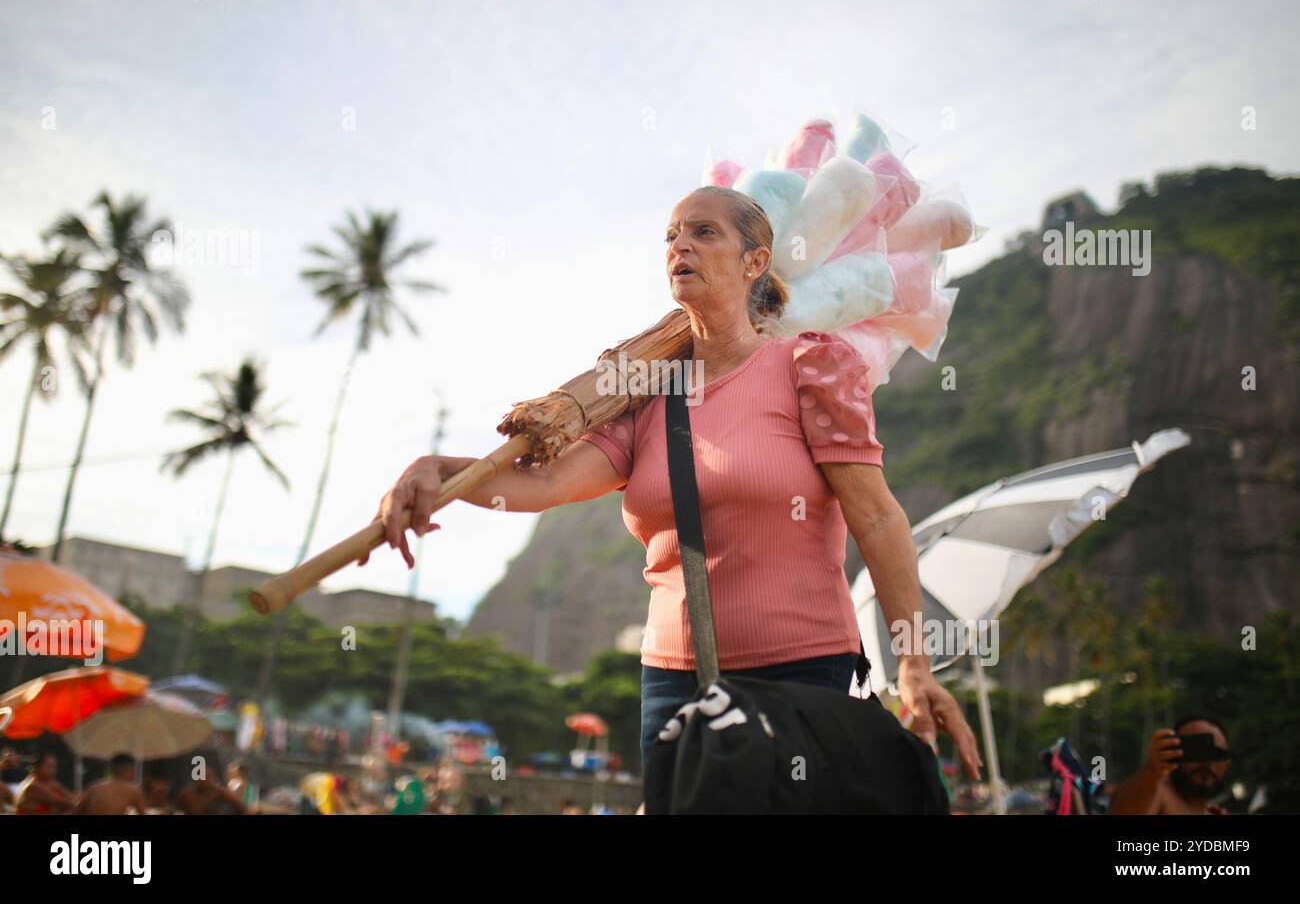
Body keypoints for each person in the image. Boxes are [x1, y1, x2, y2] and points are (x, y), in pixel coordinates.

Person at [363, 186, 982, 780]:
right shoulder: (649, 396)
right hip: (672, 680)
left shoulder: (810, 365)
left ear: (755, 261)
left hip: (801, 671)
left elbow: (876, 518)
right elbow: (543, 485)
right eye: (671, 236)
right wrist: (438, 472)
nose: (679, 245)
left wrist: (914, 663)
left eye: (703, 232)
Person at [1110, 715, 1233, 815]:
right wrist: (1151, 771)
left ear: (1227, 764)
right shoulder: (1159, 793)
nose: (1207, 761)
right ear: (1173, 750)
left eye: (1217, 754)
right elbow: (1123, 809)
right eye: (1198, 750)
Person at [73, 753, 147, 815]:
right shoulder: (133, 790)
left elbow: (76, 811)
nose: (134, 775)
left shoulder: (94, 787)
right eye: (133, 771)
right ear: (130, 770)